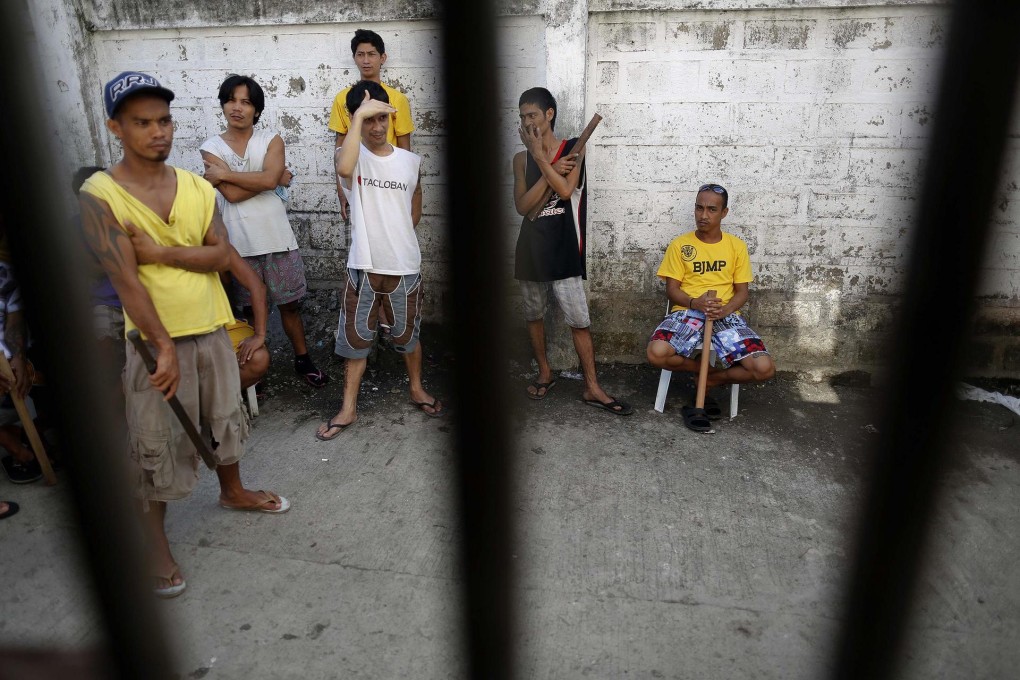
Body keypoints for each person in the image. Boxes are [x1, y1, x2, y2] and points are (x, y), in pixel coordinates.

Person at [79, 71, 290, 599]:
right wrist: (161, 345)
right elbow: (126, 279)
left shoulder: (197, 187)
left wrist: (158, 252)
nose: (158, 132)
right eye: (142, 122)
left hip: (211, 327)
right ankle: (154, 544)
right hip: (153, 342)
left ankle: (232, 491)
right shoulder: (100, 194)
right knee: (154, 444)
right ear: (116, 128)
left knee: (225, 420)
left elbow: (221, 255)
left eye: (165, 120)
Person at [317, 81, 441, 441]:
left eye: (381, 118)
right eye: (368, 119)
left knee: (408, 336)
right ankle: (348, 408)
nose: (376, 127)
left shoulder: (409, 162)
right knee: (356, 341)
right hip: (364, 266)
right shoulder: (350, 155)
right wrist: (357, 116)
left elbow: (415, 203)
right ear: (357, 118)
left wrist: (397, 234)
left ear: (391, 117)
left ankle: (416, 388)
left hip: (404, 265)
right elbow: (344, 168)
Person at [200, 74, 328, 388]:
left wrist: (228, 175)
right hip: (240, 243)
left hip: (277, 238)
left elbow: (266, 180)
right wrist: (270, 178)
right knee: (249, 311)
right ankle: (256, 371)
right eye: (231, 100)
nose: (237, 107)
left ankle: (303, 360)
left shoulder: (271, 139)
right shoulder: (211, 147)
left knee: (290, 307)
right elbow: (233, 195)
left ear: (256, 110)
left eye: (246, 102)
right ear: (223, 105)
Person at [513, 87, 632, 415]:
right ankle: (545, 373)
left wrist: (543, 159)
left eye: (532, 115)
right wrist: (544, 163)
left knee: (579, 320)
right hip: (530, 250)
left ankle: (592, 386)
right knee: (533, 316)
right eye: (522, 117)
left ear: (549, 114)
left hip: (565, 249)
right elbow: (523, 206)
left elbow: (565, 191)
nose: (527, 122)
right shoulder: (521, 159)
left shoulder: (574, 149)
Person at [646, 183, 775, 432]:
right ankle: (705, 371)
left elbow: (742, 292)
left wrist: (724, 310)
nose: (703, 215)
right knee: (656, 353)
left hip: (725, 315)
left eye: (712, 209)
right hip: (688, 312)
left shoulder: (736, 246)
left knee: (764, 368)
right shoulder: (680, 245)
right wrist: (695, 302)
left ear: (724, 213)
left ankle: (712, 379)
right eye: (699, 208)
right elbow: (672, 290)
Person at [329, 29, 415, 222]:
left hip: (388, 180)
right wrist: (341, 188)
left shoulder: (397, 99)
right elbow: (340, 144)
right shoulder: (343, 98)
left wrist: (406, 186)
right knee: (357, 236)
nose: (366, 60)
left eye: (371, 54)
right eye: (360, 54)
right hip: (355, 177)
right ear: (354, 58)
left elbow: (405, 147)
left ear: (383, 58)